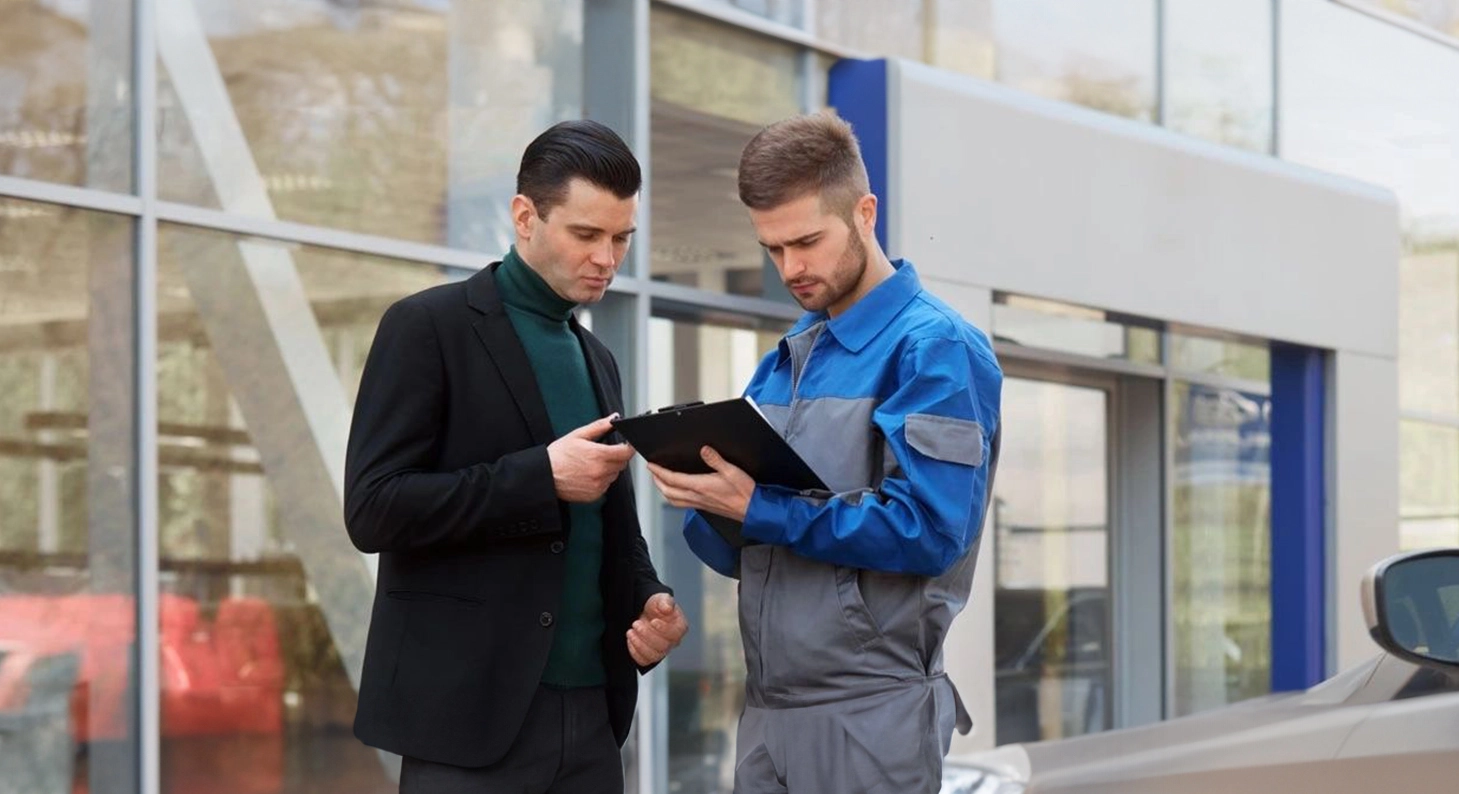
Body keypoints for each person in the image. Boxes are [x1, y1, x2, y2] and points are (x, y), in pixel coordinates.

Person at [647, 110, 1004, 793]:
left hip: (870, 714)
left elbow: (933, 532)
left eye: (806, 241)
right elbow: (742, 549)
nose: (791, 268)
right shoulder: (787, 359)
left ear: (865, 212)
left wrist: (764, 510)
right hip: (767, 714)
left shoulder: (934, 348)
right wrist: (710, 501)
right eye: (773, 248)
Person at [343, 119, 688, 793]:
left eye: (621, 238)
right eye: (585, 234)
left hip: (591, 718)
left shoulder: (597, 358)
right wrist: (538, 478)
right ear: (525, 217)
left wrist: (648, 598)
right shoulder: (426, 328)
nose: (607, 258)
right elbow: (373, 508)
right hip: (466, 724)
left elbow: (608, 525)